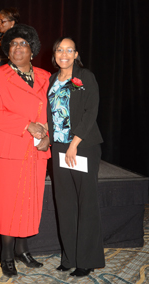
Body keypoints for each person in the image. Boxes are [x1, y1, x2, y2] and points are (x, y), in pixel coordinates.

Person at [0, 24, 51, 278]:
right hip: (7, 147)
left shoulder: (45, 76)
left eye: (23, 43)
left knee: (29, 199)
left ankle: (23, 249)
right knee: (6, 202)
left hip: (36, 150)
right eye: (13, 44)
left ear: (32, 50)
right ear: (6, 50)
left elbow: (53, 113)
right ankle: (7, 254)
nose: (18, 48)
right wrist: (27, 125)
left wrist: (48, 137)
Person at [47, 37, 105, 277]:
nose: (64, 54)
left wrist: (75, 144)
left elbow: (91, 112)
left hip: (82, 146)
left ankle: (87, 259)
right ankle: (69, 257)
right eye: (60, 49)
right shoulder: (52, 79)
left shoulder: (85, 77)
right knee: (65, 203)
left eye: (69, 50)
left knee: (86, 203)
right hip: (58, 148)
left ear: (76, 54)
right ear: (55, 54)